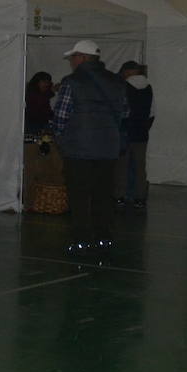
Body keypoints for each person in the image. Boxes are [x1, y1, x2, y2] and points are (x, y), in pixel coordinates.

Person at [51, 40, 128, 256]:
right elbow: (125, 112)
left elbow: (61, 116)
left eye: (73, 57)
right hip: (108, 148)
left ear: (82, 58)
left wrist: (61, 139)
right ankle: (104, 236)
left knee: (79, 195)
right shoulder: (116, 81)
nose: (71, 62)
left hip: (79, 149)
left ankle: (81, 238)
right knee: (103, 194)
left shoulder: (71, 82)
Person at [116, 61, 155, 208]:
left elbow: (120, 111)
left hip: (125, 131)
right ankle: (140, 197)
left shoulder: (122, 87)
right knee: (140, 166)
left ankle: (120, 196)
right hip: (142, 133)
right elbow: (152, 112)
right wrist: (144, 127)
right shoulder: (149, 88)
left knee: (121, 166)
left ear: (127, 71)